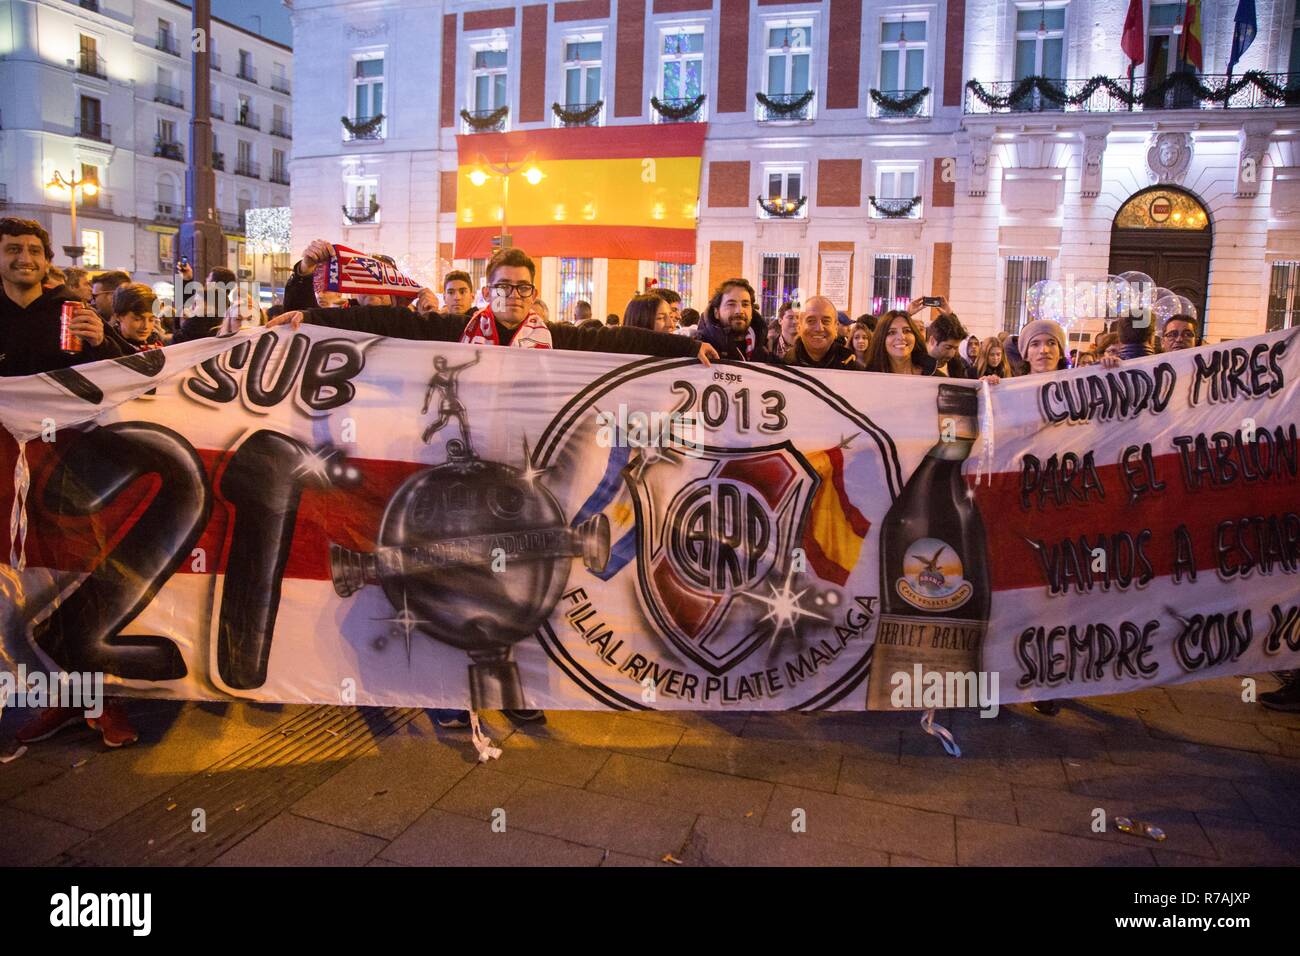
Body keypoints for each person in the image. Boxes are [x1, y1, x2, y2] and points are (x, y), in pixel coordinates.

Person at [269, 246, 719, 728]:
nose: (512, 296)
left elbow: (616, 340)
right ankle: (448, 696)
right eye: (503, 287)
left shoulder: (554, 337)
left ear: (533, 293)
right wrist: (307, 310)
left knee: (516, 584)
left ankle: (516, 690)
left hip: (518, 486)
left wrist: (688, 348)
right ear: (488, 291)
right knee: (443, 581)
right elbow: (380, 324)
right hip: (451, 483)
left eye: (522, 287)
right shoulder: (453, 329)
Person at [0, 218, 135, 746]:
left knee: (83, 580)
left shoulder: (72, 313)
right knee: (16, 584)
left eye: (34, 249)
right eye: (12, 249)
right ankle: (53, 696)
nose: (24, 258)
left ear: (47, 258)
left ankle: (103, 699)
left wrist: (105, 341)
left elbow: (131, 374)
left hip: (66, 471)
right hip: (2, 475)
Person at [696, 277, 768, 362]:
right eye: (731, 304)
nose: (739, 311)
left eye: (745, 304)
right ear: (716, 313)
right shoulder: (699, 350)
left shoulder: (765, 349)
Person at [779, 296, 859, 370]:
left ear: (836, 327)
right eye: (811, 321)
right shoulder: (786, 365)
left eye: (826, 321)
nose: (819, 328)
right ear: (799, 327)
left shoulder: (851, 365)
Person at [172, 265, 240, 342]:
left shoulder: (204, 315)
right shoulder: (227, 309)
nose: (206, 279)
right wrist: (187, 280)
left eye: (208, 278)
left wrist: (182, 322)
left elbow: (180, 338)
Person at [859, 309, 935, 375]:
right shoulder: (868, 377)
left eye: (907, 331)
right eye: (892, 332)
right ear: (881, 339)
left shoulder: (933, 376)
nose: (901, 337)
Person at [111, 283, 164, 351]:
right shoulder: (110, 348)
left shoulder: (155, 343)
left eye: (151, 319)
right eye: (138, 319)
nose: (146, 326)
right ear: (118, 316)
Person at [925, 312, 976, 378]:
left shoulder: (957, 365)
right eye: (948, 347)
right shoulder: (917, 367)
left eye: (955, 348)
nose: (951, 354)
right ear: (932, 341)